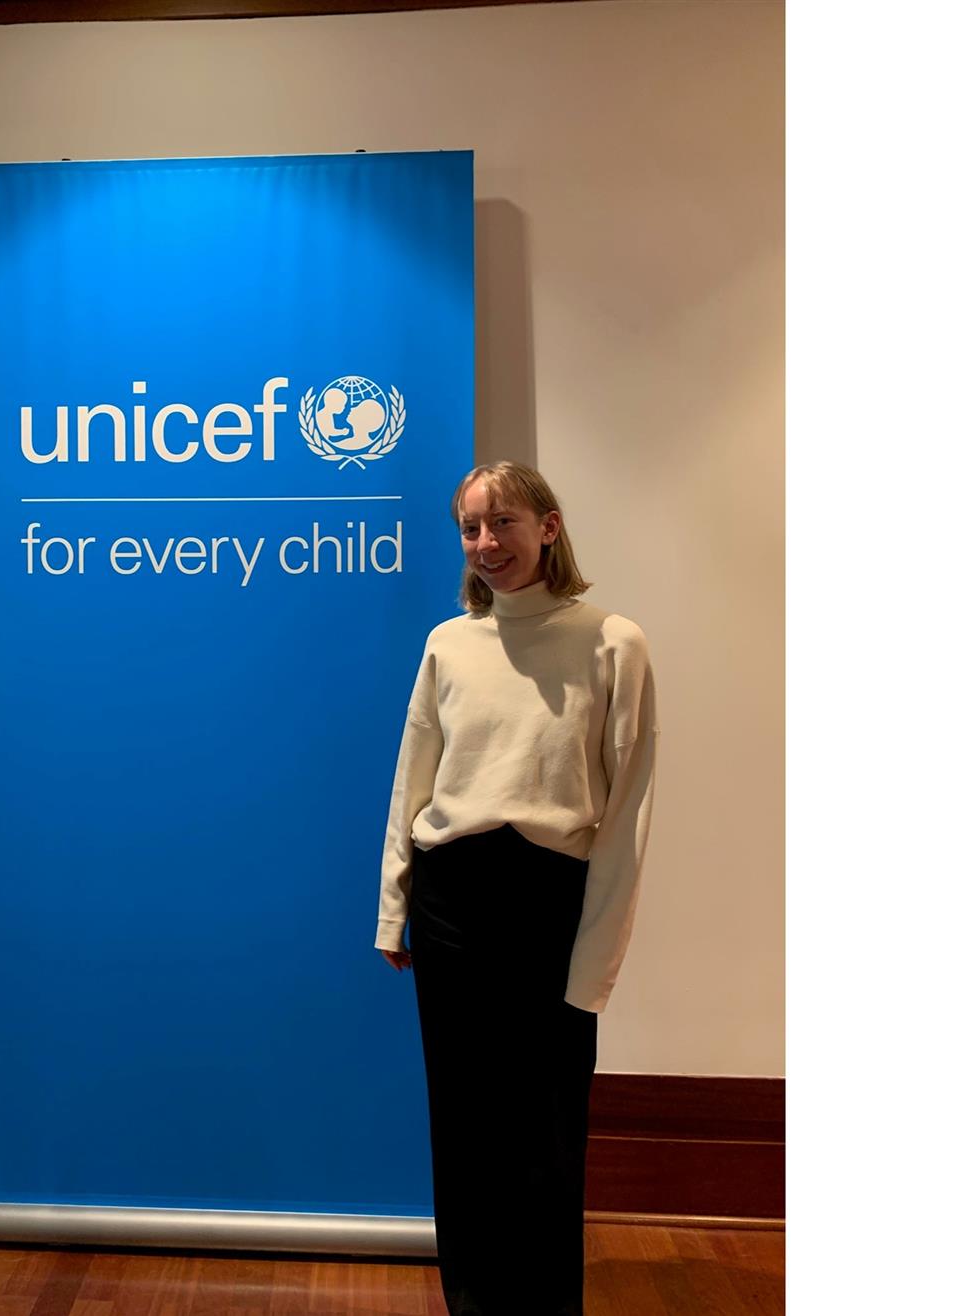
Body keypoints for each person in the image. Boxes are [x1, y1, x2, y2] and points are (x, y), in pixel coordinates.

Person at [374, 460, 658, 1316]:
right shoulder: (449, 643)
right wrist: (394, 909)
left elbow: (628, 813)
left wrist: (597, 959)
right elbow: (414, 778)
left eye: (503, 522)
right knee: (463, 1126)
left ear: (549, 527)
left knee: (547, 1128)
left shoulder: (612, 642)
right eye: (471, 527)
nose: (486, 543)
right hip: (450, 898)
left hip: (548, 901)